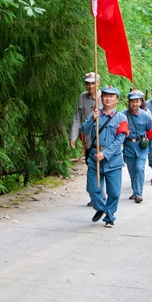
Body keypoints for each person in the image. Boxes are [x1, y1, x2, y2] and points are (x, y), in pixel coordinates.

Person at [81, 86, 128, 228]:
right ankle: (101, 208)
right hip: (95, 158)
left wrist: (105, 154)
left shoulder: (121, 118)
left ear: (116, 99)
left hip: (113, 160)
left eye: (111, 96)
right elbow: (84, 130)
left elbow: (120, 139)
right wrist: (91, 120)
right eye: (105, 95)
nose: (108, 98)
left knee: (114, 192)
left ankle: (110, 216)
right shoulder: (95, 114)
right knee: (92, 188)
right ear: (101, 98)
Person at [69, 72, 102, 207]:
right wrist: (73, 135)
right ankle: (94, 195)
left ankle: (99, 198)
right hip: (88, 141)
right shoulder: (82, 98)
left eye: (93, 83)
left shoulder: (105, 97)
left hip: (102, 141)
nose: (90, 86)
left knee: (101, 170)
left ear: (98, 83)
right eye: (88, 83)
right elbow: (77, 117)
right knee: (91, 169)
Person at [122, 91, 152, 203]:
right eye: (132, 101)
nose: (134, 104)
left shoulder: (145, 116)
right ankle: (135, 190)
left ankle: (138, 194)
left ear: (140, 102)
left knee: (140, 168)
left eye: (137, 101)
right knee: (132, 172)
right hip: (128, 147)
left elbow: (151, 132)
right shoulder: (123, 115)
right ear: (129, 102)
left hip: (141, 147)